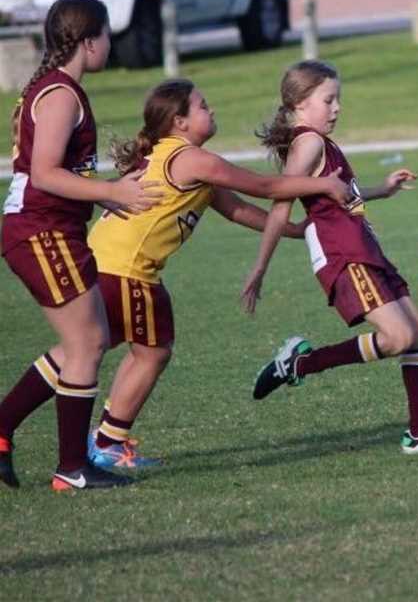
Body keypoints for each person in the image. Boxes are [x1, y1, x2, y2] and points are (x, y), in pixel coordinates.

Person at [80, 78, 353, 469]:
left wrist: (293, 230)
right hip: (122, 269)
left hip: (116, 265)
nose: (212, 111)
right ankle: (100, 443)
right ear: (180, 121)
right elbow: (264, 185)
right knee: (100, 354)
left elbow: (237, 209)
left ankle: (106, 440)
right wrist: (323, 183)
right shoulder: (190, 160)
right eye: (203, 106)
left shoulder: (188, 161)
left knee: (143, 350)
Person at [241, 60, 418, 454]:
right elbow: (281, 203)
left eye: (338, 100)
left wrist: (381, 190)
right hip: (344, 254)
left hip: (362, 246)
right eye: (328, 99)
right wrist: (260, 267)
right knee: (399, 336)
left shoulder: (323, 144)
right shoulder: (308, 142)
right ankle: (299, 365)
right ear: (300, 103)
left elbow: (339, 193)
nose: (337, 108)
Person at [0, 0, 162, 491]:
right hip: (40, 230)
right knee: (87, 343)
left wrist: (102, 197)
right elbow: (44, 173)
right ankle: (71, 468)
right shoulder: (63, 94)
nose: (110, 44)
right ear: (89, 41)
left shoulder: (59, 88)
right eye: (107, 35)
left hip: (53, 228)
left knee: (87, 340)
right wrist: (111, 190)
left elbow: (61, 171)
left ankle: (4, 428)